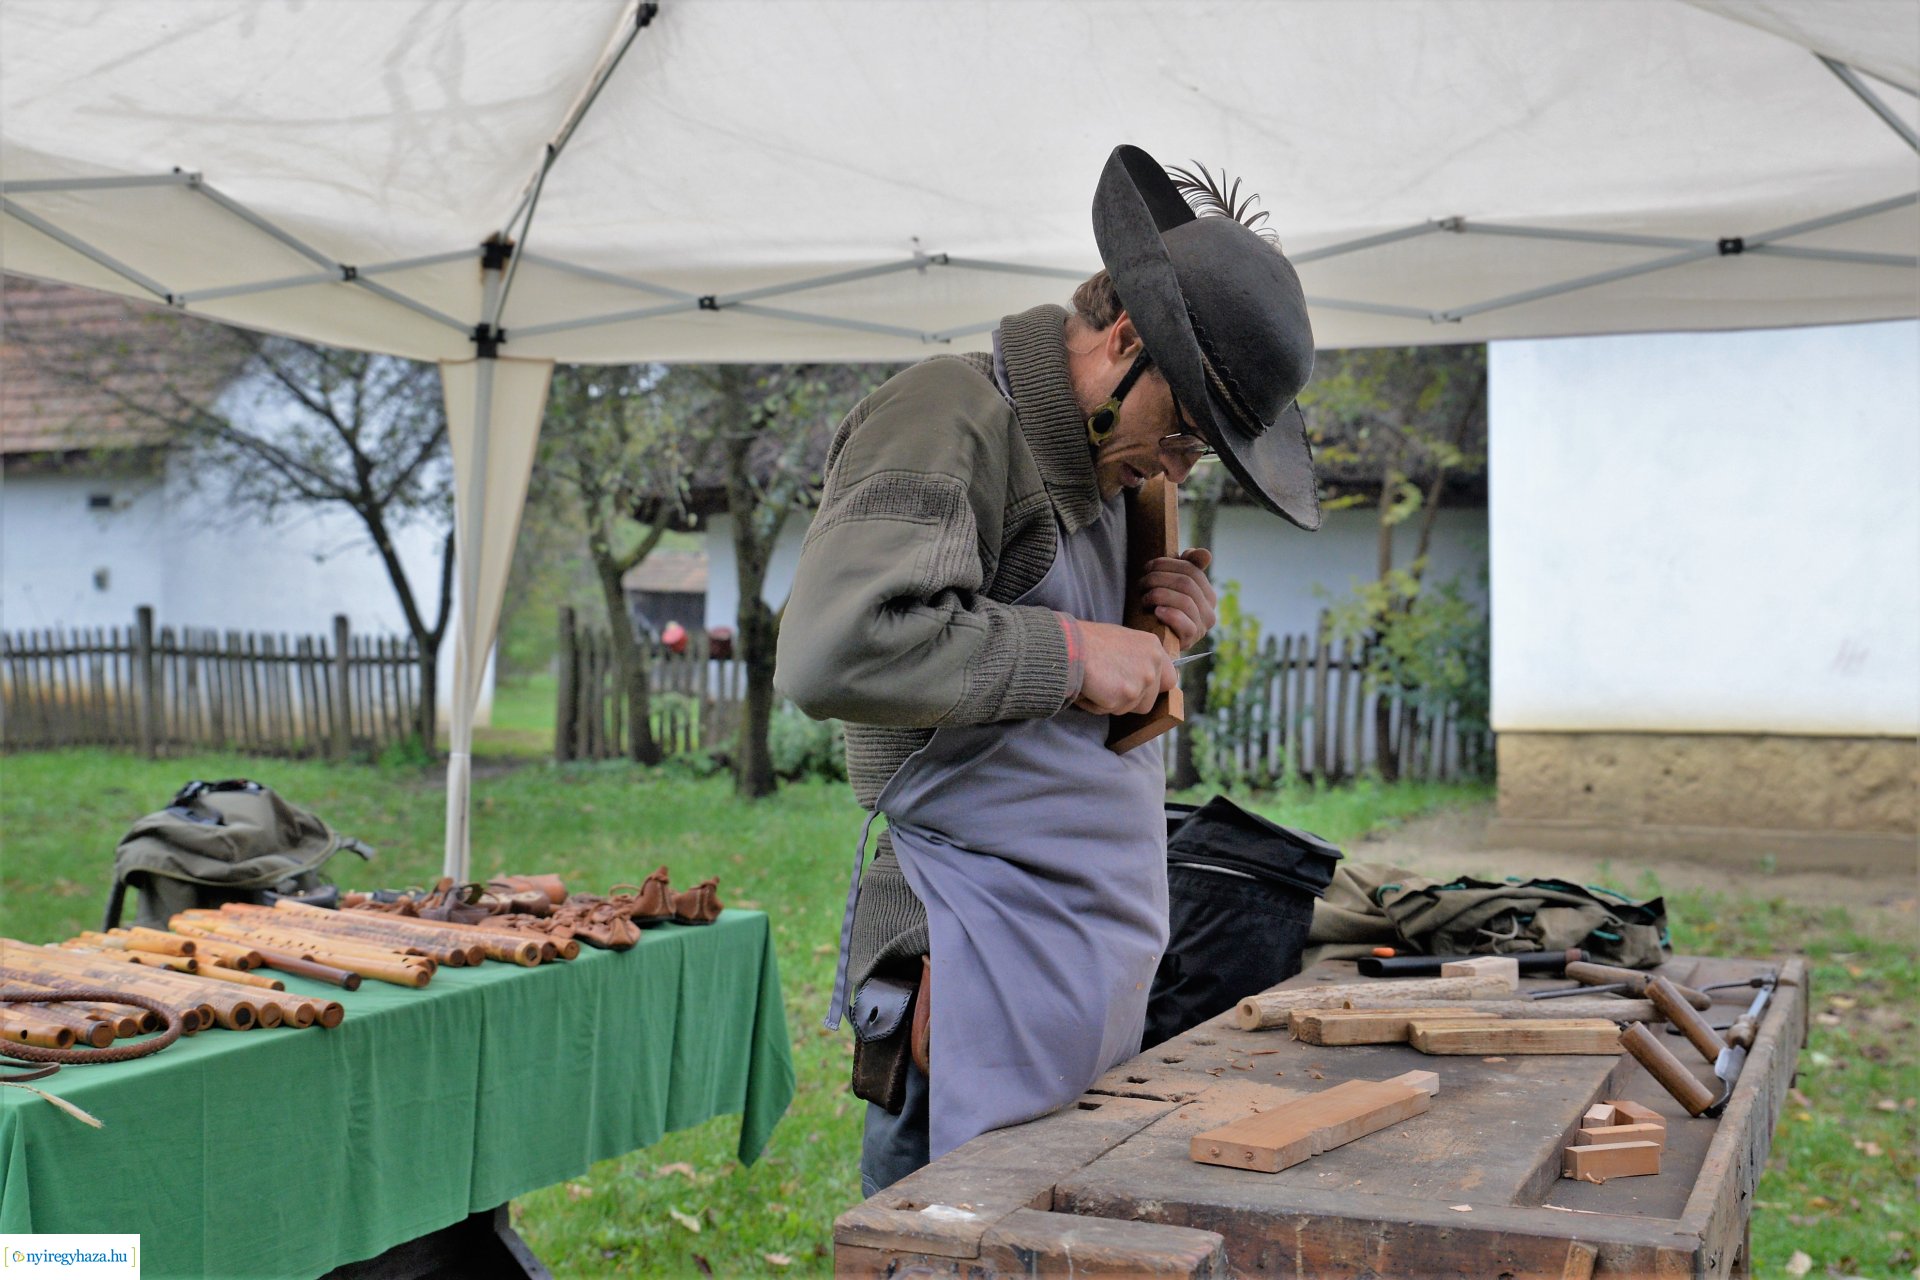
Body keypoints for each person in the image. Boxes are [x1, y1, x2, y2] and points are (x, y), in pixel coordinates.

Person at [774, 144, 1322, 1197]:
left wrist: (1166, 639)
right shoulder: (953, 414)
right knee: (947, 1248)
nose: (1182, 467)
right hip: (972, 959)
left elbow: (1087, 714)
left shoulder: (1117, 472)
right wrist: (1075, 652)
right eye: (1190, 432)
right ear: (1124, 339)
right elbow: (835, 647)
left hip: (1079, 965)